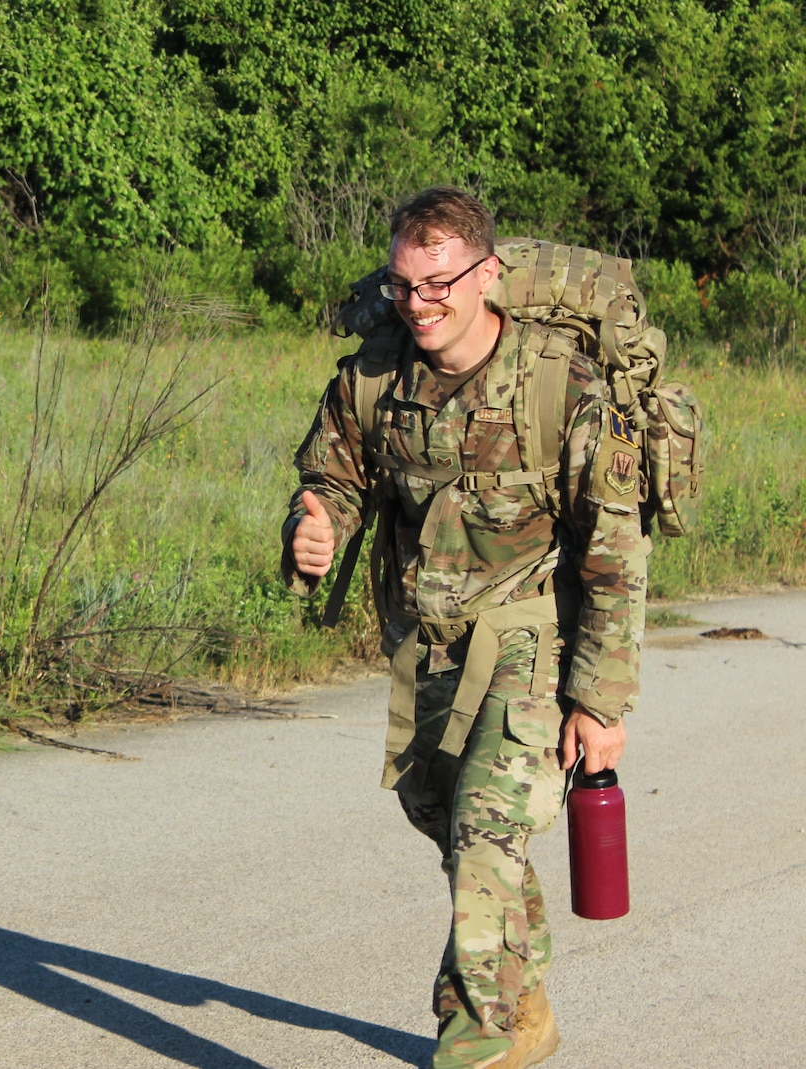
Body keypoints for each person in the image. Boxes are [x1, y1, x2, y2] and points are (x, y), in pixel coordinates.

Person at [282, 187, 643, 1069]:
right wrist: (313, 519)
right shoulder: (375, 377)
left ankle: (474, 1038)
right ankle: (523, 999)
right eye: (405, 286)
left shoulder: (560, 386)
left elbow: (612, 550)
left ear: (487, 277)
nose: (420, 305)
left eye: (439, 284)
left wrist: (598, 699)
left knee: (484, 842)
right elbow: (331, 474)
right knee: (447, 824)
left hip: (530, 639)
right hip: (427, 642)